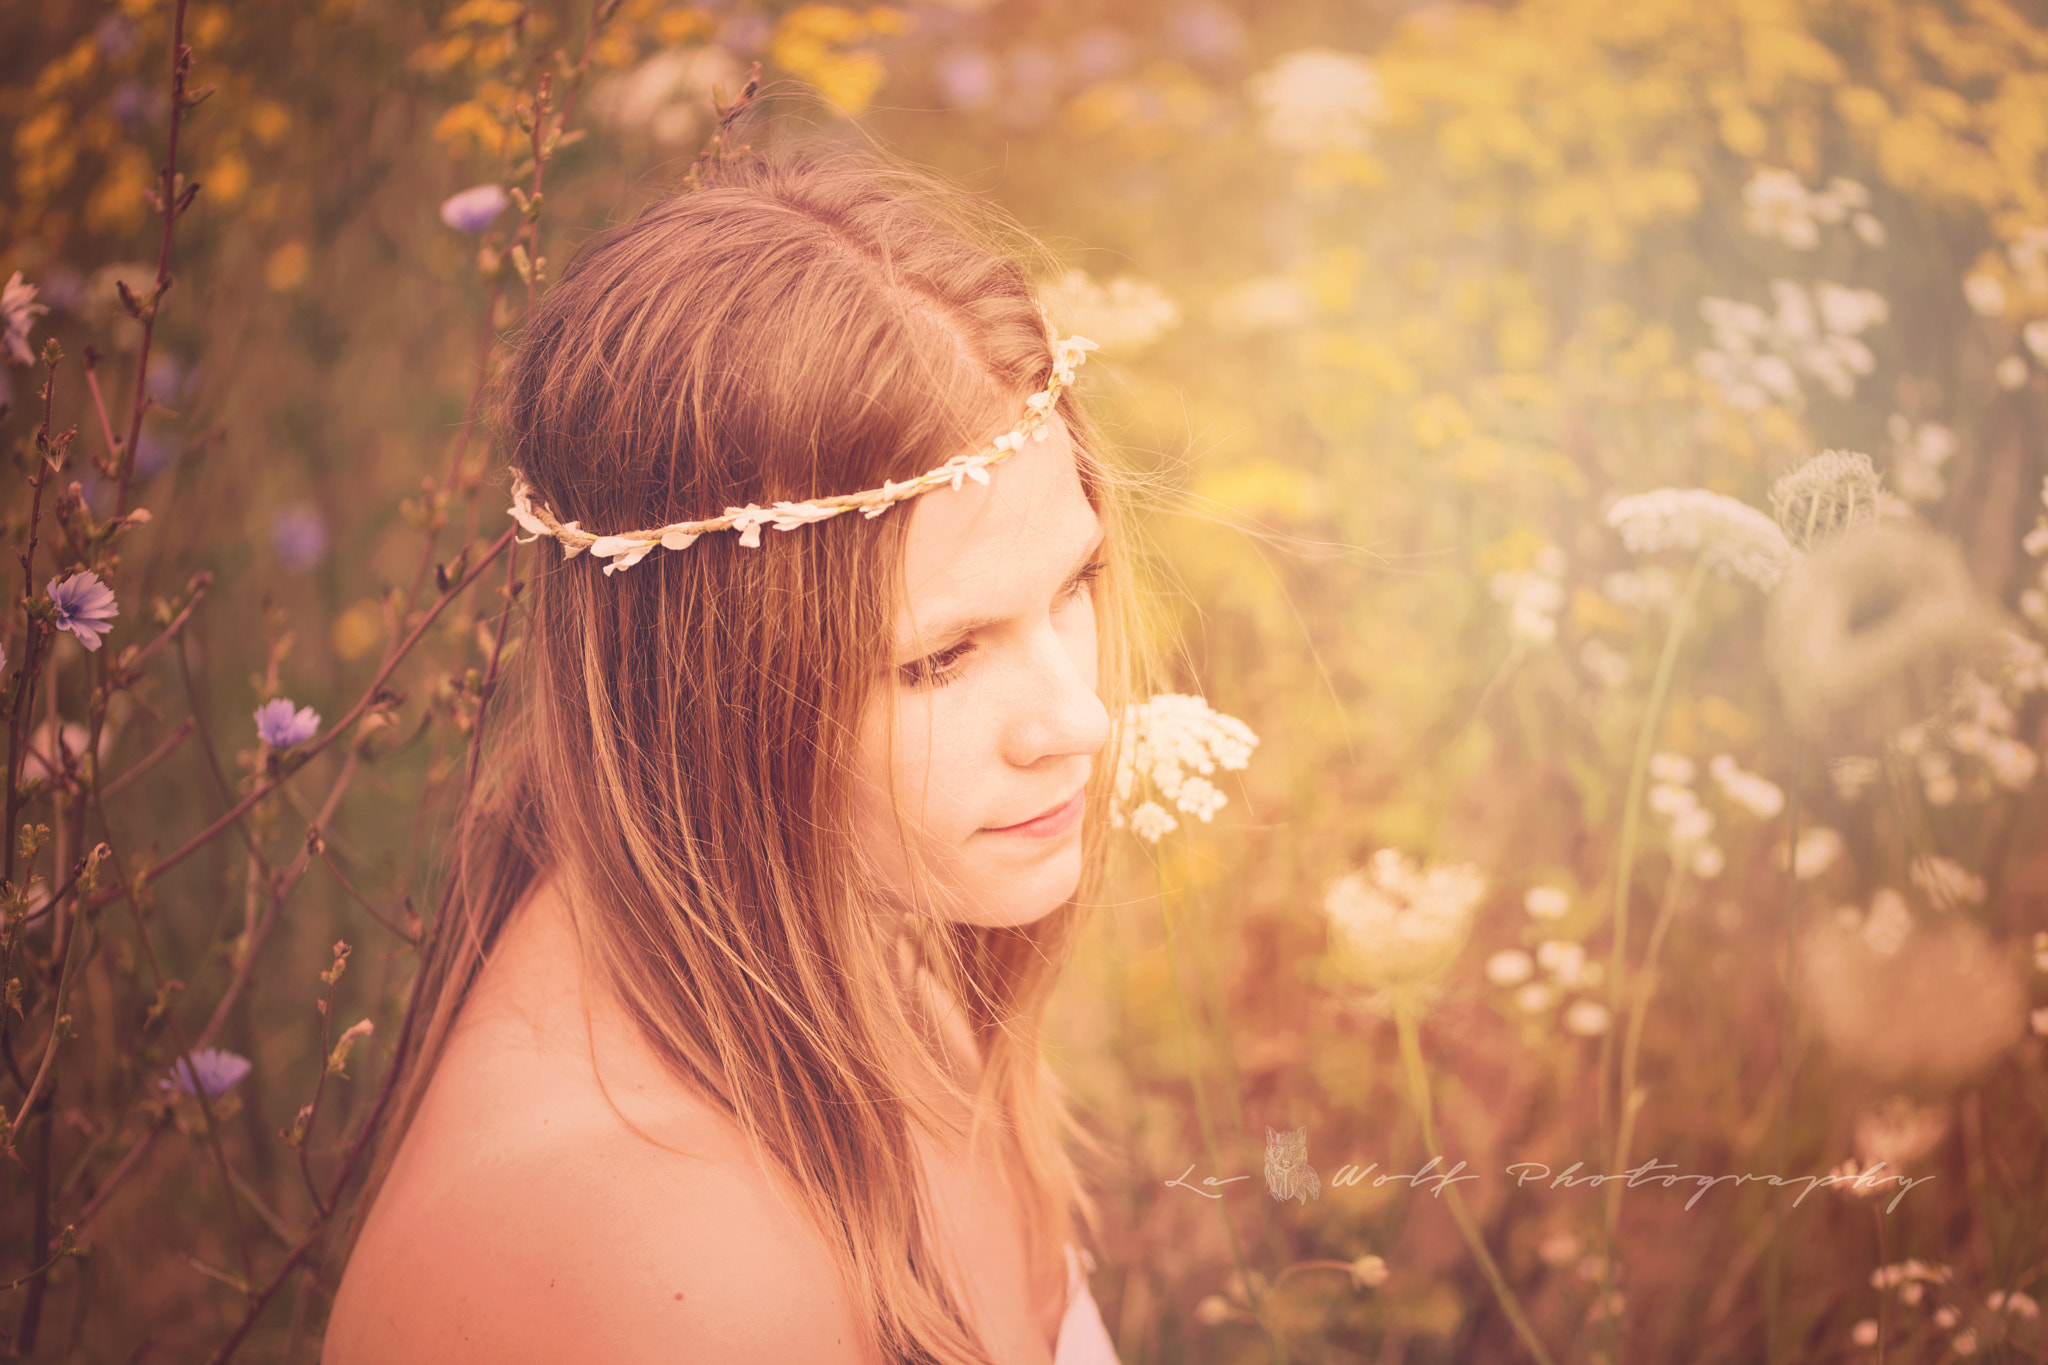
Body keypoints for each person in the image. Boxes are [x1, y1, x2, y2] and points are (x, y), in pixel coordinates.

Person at [321, 150, 1133, 1364]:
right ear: (708, 693)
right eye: (939, 660)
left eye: (1071, 586)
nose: (1075, 722)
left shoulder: (859, 941)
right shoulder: (657, 1272)